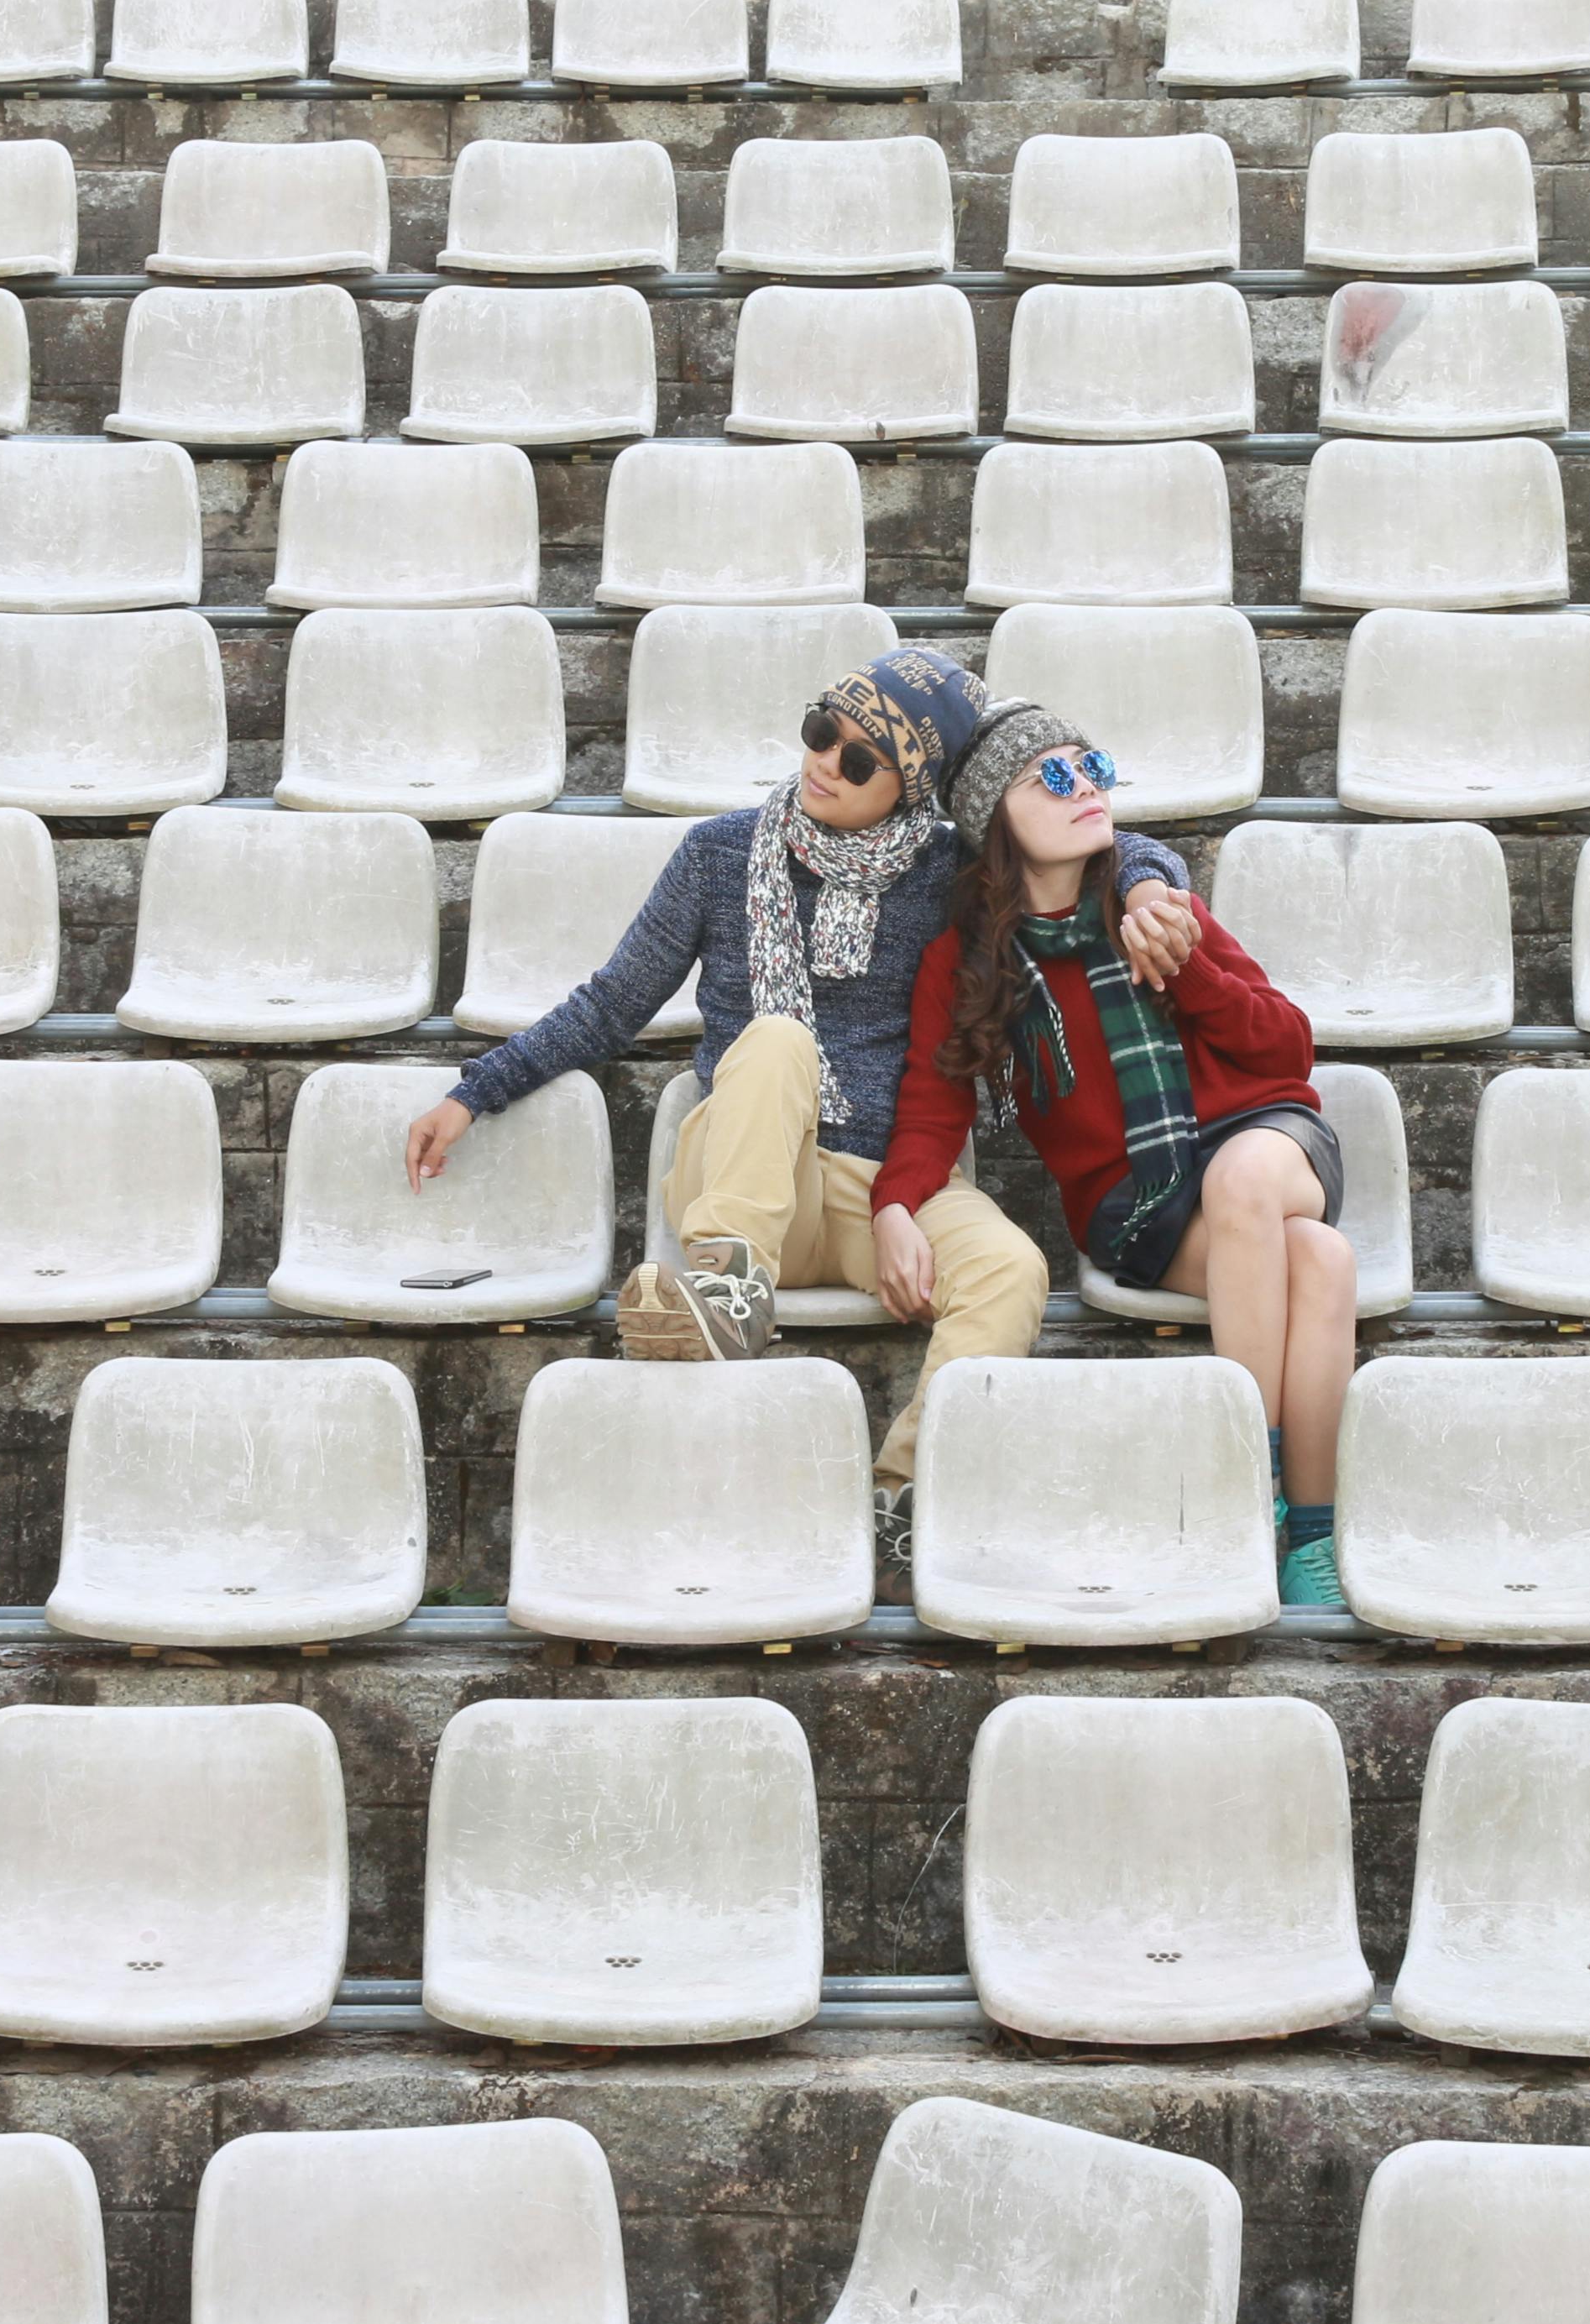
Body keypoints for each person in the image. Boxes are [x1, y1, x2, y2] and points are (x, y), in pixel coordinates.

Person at [404, 649, 1199, 1510]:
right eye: (822, 730)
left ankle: (909, 1498)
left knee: (1010, 1268)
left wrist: (1149, 889)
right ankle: (728, 1288)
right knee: (779, 1038)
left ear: (911, 787)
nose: (825, 761)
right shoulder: (718, 854)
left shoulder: (948, 873)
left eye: (859, 760)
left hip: (875, 1185)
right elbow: (612, 1003)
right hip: (745, 1170)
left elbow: (1102, 846)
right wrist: (475, 1091)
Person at [880, 693, 1357, 1611]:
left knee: (1245, 1182)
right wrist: (896, 1204)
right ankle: (1311, 1537)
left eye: (1092, 768)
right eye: (1052, 777)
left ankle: (1241, 1483)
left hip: (1267, 1141)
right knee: (1323, 1262)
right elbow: (934, 1110)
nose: (1085, 788)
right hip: (1138, 1202)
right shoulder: (967, 964)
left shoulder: (1160, 908)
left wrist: (1187, 966)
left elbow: (1286, 1050)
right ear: (994, 817)